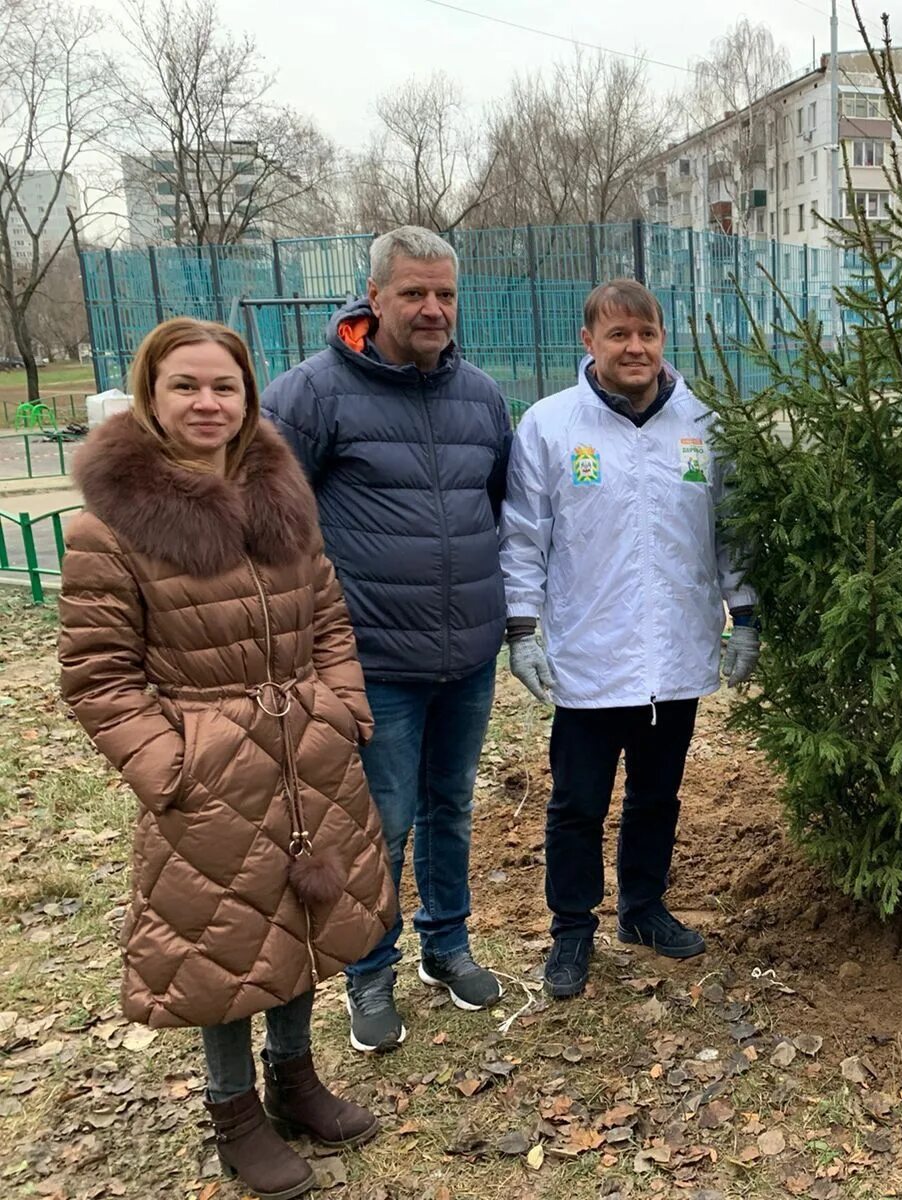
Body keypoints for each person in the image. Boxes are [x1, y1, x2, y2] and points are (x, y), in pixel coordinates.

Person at [58, 318, 397, 1200]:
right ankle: (234, 1111)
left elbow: (327, 617)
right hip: (209, 775)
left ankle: (296, 1079)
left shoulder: (283, 500)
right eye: (186, 386)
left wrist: (342, 708)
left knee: (301, 923)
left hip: (307, 756)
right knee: (225, 947)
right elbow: (99, 676)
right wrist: (170, 768)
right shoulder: (111, 530)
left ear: (249, 398)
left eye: (226, 387)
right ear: (151, 395)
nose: (208, 403)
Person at [263, 226, 514, 1053]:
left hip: (468, 655)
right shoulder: (312, 395)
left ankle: (449, 947)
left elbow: (502, 508)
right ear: (375, 298)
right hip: (376, 664)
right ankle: (370, 975)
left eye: (445, 292)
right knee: (384, 821)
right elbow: (266, 520)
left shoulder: (480, 396)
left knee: (452, 809)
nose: (433, 307)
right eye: (414, 293)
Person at [499, 279, 758, 1000]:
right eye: (618, 335)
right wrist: (522, 629)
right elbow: (523, 536)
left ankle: (643, 911)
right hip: (591, 653)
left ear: (660, 339)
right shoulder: (552, 427)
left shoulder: (702, 422)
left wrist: (748, 614)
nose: (634, 347)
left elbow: (732, 528)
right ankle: (571, 930)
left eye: (646, 333)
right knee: (577, 803)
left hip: (674, 653)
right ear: (588, 343)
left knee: (657, 796)